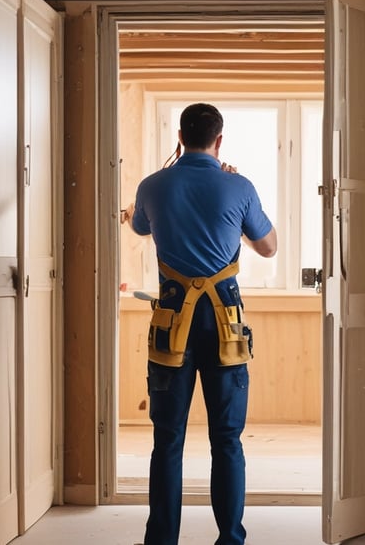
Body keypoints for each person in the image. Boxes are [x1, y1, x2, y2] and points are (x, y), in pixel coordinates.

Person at [122, 102, 277, 545]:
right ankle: (230, 540)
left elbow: (139, 227)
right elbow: (268, 248)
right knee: (227, 440)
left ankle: (162, 541)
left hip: (173, 323)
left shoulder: (153, 185)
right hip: (224, 324)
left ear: (180, 136)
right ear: (219, 140)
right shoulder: (239, 186)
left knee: (167, 439)